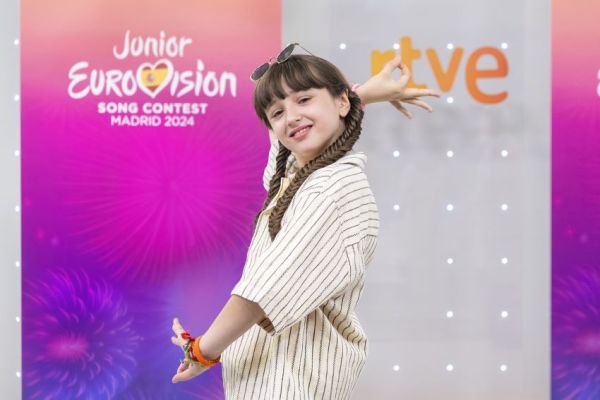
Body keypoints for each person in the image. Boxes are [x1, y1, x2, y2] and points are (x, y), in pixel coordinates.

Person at [170, 43, 439, 399]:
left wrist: (202, 351)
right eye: (277, 112)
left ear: (340, 102)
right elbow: (290, 139)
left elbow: (262, 294)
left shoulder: (331, 190)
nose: (292, 117)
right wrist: (359, 96)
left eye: (304, 99)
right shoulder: (298, 177)